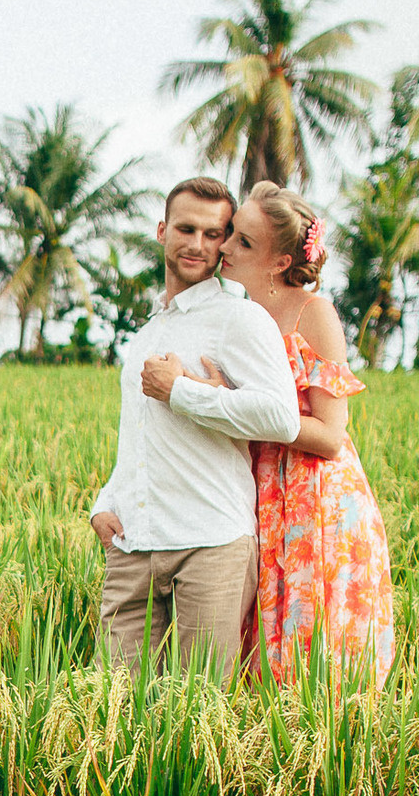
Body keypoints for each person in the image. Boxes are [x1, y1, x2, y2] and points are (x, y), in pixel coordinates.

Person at [87, 178, 301, 674]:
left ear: (225, 242)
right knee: (111, 701)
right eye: (186, 229)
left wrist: (181, 391)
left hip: (211, 543)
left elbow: (282, 417)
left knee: (198, 705)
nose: (198, 245)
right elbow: (139, 437)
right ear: (162, 231)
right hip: (134, 544)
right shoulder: (148, 331)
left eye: (213, 233)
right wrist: (105, 502)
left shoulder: (239, 318)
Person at [220, 181, 397, 691]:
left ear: (279, 262)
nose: (225, 247)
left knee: (316, 645)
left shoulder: (312, 313)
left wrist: (241, 407)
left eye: (243, 241)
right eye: (231, 233)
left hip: (314, 498)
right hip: (259, 493)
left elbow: (331, 435)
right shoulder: (238, 314)